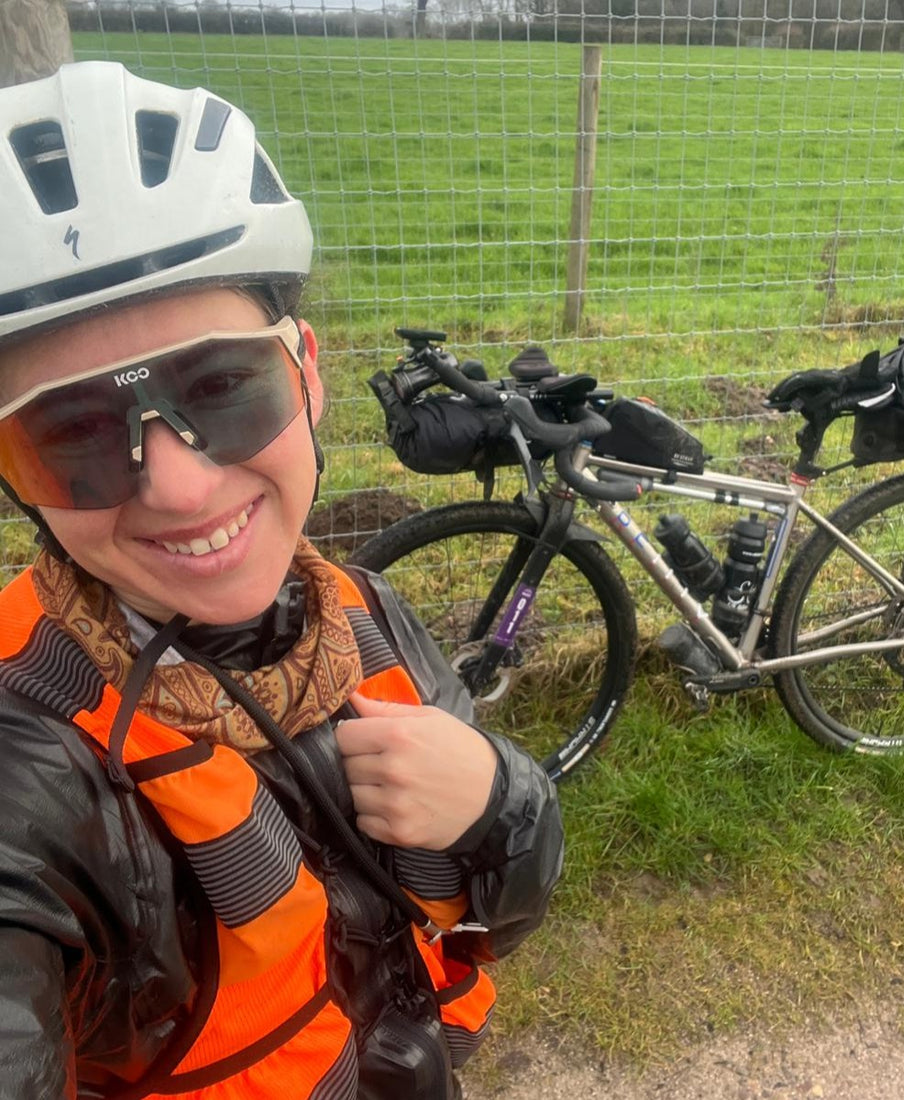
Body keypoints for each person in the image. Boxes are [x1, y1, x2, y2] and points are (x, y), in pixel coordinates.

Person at [0, 61, 563, 1099]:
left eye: (220, 386)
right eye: (73, 431)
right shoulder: (27, 754)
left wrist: (503, 801)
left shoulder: (359, 610)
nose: (178, 486)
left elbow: (494, 921)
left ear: (304, 373)